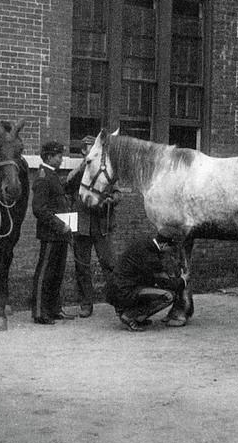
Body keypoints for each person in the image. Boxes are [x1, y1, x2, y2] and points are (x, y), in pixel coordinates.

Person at [67, 135, 121, 318]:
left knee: (109, 264)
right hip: (82, 226)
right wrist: (83, 166)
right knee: (82, 266)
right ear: (83, 151)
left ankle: (118, 302)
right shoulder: (78, 172)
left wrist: (110, 200)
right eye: (88, 149)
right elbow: (67, 185)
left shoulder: (104, 169)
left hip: (101, 225)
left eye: (94, 149)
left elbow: (118, 194)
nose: (91, 152)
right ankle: (86, 303)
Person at [31, 140, 77, 325]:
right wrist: (60, 225)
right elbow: (39, 209)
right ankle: (40, 312)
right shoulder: (43, 176)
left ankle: (55, 308)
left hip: (60, 233)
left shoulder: (52, 175)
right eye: (58, 156)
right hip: (51, 234)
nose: (61, 158)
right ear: (49, 157)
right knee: (45, 272)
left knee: (57, 273)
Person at [105, 236, 187, 331]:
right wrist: (182, 281)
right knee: (168, 296)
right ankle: (129, 316)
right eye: (170, 248)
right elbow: (163, 283)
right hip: (124, 291)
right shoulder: (151, 257)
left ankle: (137, 317)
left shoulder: (144, 243)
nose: (169, 252)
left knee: (151, 289)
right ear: (164, 245)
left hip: (117, 288)